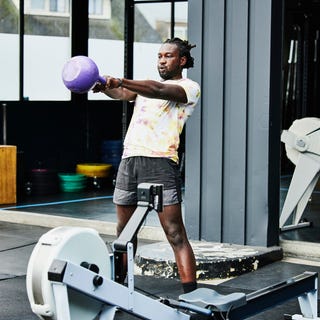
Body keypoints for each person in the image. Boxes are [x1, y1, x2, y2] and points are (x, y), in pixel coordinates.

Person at [93, 37, 201, 293]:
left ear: (182, 60)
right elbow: (122, 93)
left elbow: (158, 90)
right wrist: (102, 84)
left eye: (168, 56)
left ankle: (193, 295)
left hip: (161, 162)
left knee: (175, 234)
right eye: (159, 56)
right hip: (130, 161)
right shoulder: (143, 88)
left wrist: (121, 79)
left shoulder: (189, 87)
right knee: (124, 234)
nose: (162, 60)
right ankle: (121, 290)